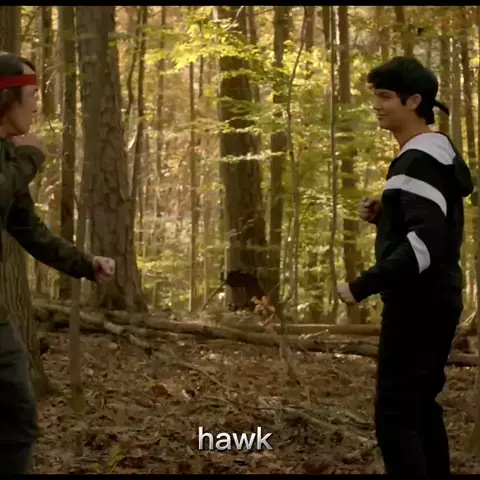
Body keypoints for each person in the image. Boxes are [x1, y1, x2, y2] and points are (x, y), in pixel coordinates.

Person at [337, 56, 474, 477]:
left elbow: (424, 245)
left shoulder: (418, 160)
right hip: (435, 298)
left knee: (395, 417)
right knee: (420, 408)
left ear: (414, 101)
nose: (376, 106)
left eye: (385, 97)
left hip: (419, 303)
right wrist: (387, 216)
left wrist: (362, 285)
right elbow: (432, 225)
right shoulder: (433, 155)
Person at [0, 52, 116, 474]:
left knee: (18, 419)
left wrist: (85, 263)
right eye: (32, 95)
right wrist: (28, 160)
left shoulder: (8, 156)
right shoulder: (17, 159)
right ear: (7, 98)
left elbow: (28, 228)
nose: (37, 105)